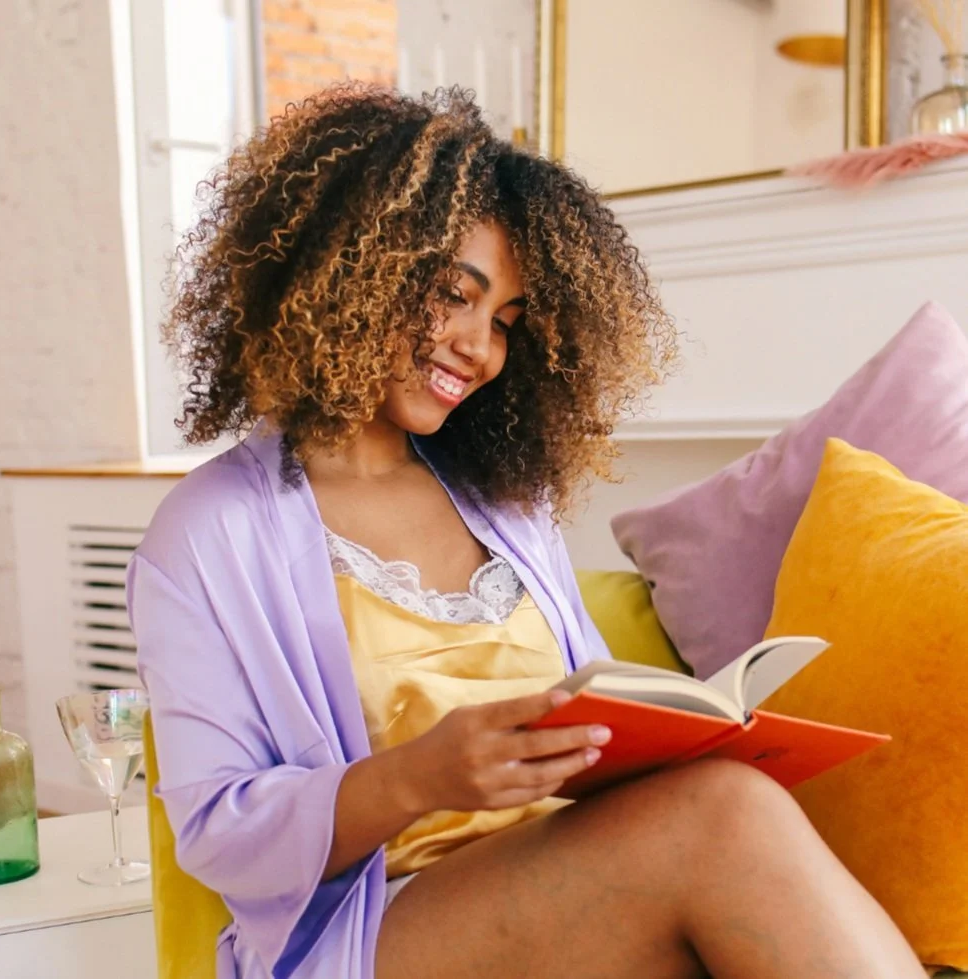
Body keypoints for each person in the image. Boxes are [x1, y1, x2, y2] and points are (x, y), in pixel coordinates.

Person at [127, 84, 924, 979]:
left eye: (505, 321)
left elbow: (593, 708)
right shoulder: (207, 534)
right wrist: (420, 776)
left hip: (571, 895)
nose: (479, 347)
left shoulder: (505, 503)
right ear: (345, 270)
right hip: (373, 926)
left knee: (726, 804)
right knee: (723, 813)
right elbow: (217, 833)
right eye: (452, 295)